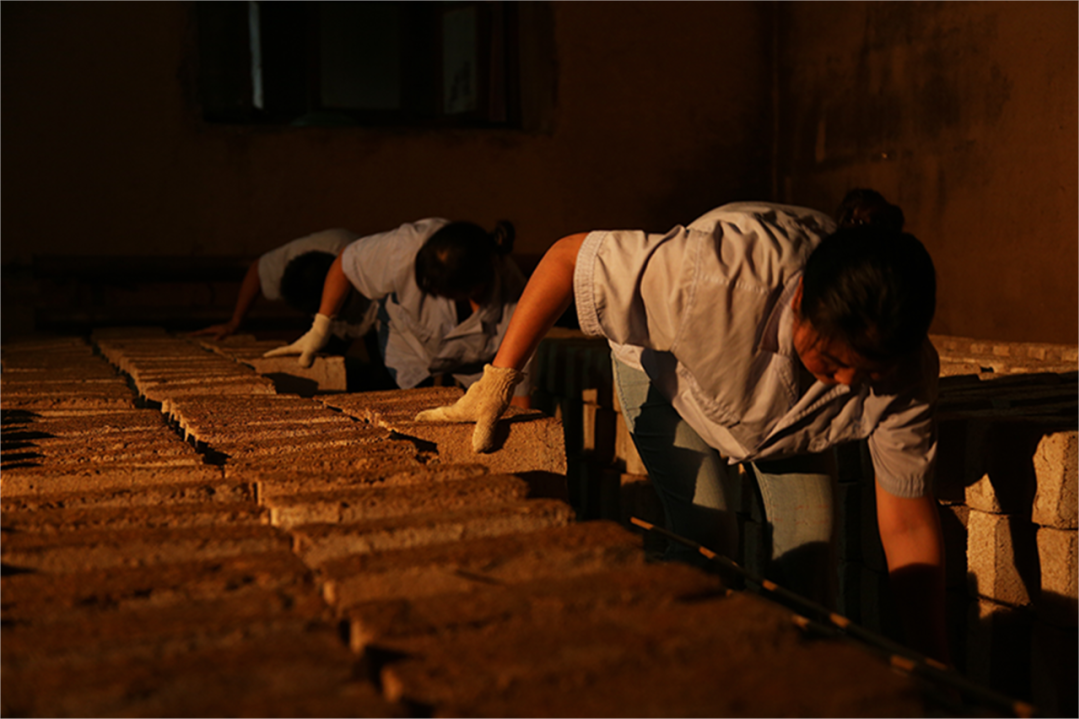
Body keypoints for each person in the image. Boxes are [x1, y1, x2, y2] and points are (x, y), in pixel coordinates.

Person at [416, 198, 950, 664]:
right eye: (833, 363)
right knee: (708, 541)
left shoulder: (905, 374)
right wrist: (499, 380)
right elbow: (568, 257)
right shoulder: (711, 277)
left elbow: (907, 524)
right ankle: (676, 670)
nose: (850, 382)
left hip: (783, 421)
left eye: (868, 373)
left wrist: (933, 661)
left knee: (810, 558)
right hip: (669, 375)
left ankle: (788, 681)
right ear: (800, 300)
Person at [265, 218, 532, 406]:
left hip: (473, 367)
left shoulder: (517, 302)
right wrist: (320, 328)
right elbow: (345, 263)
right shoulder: (405, 245)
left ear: (474, 289)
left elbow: (517, 388)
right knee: (402, 413)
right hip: (406, 347)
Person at [191, 228, 377, 345]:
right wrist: (235, 322)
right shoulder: (301, 255)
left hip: (377, 318)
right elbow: (257, 270)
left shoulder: (363, 263)